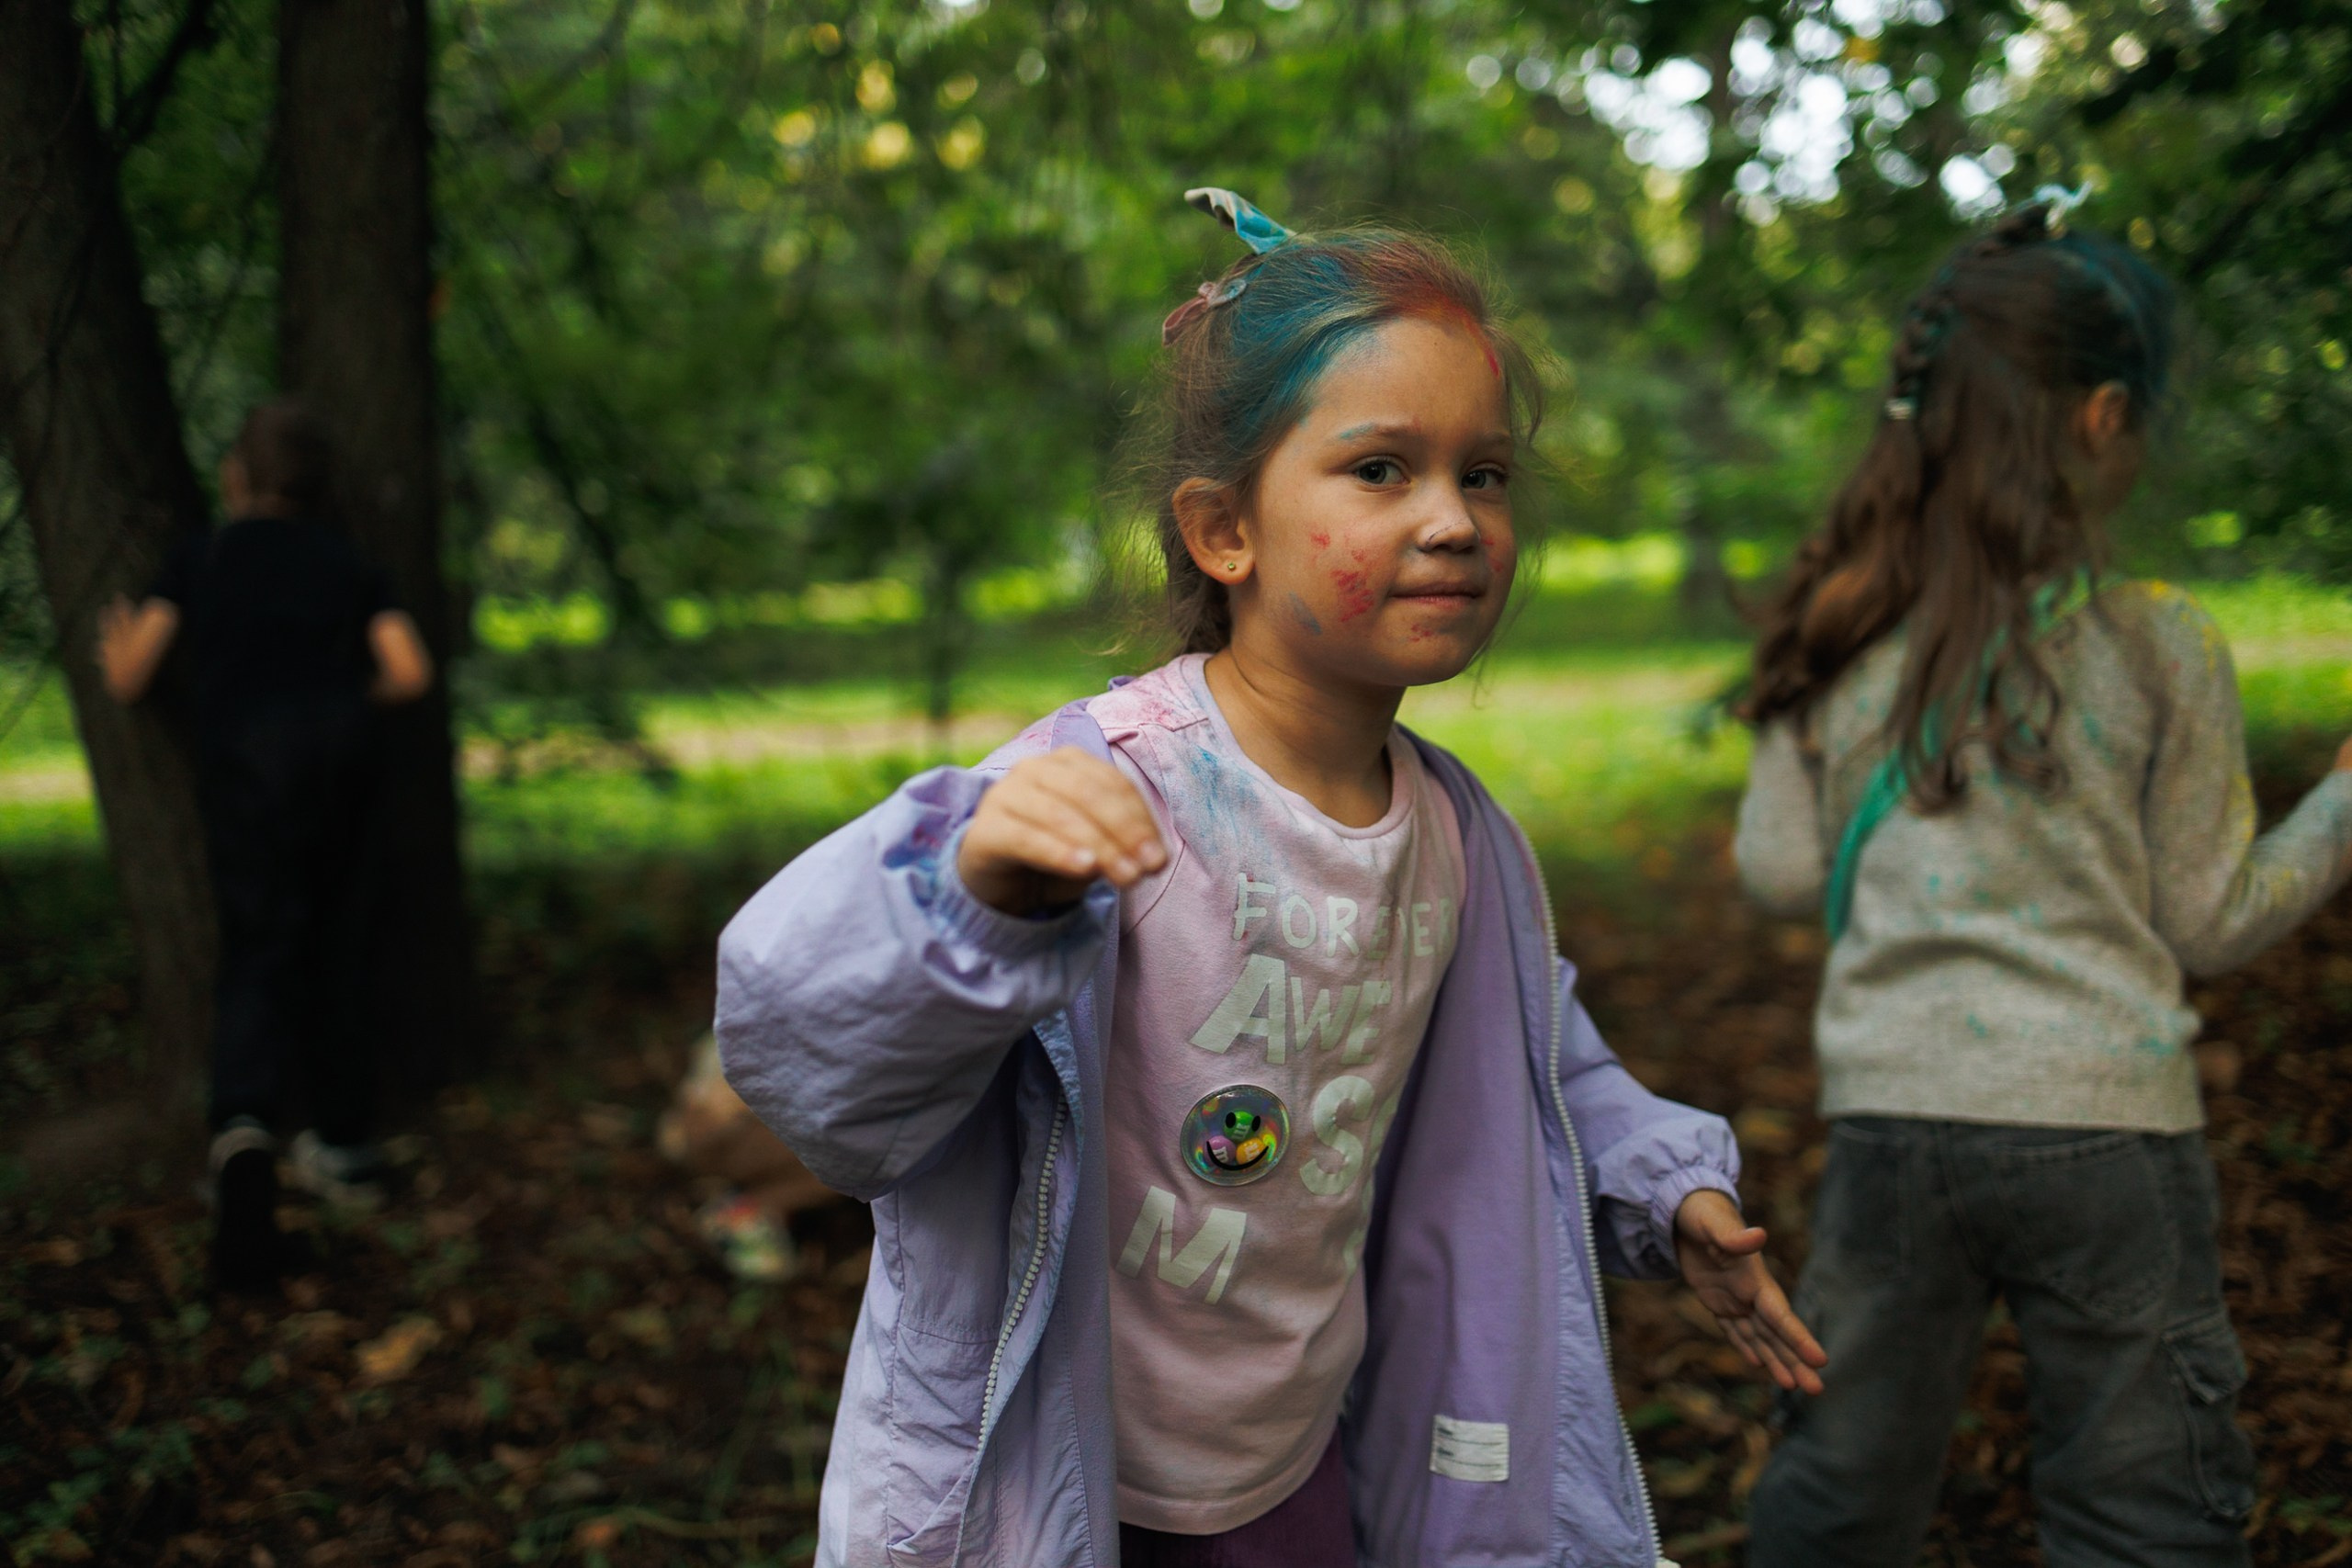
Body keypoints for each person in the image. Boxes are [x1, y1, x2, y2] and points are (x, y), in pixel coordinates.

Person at [716, 190, 1824, 1568]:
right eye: (1381, 470)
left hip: (1293, 1458)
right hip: (1062, 1479)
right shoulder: (1100, 788)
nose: (1457, 520)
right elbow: (805, 1049)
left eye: (1483, 473)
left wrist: (1668, 1188)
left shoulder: (1456, 831)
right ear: (1222, 530)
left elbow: (1533, 1062)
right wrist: (975, 895)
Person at [1732, 192, 2352, 1567]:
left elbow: (1778, 868)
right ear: (2101, 417)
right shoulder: (2161, 644)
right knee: (2145, 1504)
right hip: (2109, 1129)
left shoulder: (1836, 626)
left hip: (1893, 1124)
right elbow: (2209, 917)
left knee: (1840, 1482)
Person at [97, 399, 434, 1290]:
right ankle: (343, 1142)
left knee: (257, 943)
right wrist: (339, 698)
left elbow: (134, 676)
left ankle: (244, 1126)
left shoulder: (203, 558)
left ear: (235, 476)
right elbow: (409, 672)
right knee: (339, 939)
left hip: (245, 774)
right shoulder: (349, 565)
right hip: (340, 768)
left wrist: (113, 644)